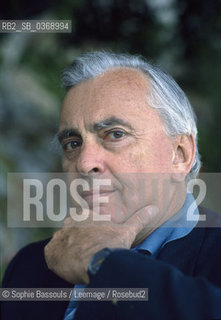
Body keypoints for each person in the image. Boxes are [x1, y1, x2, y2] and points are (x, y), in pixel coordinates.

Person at [1, 51, 221, 320]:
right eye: (72, 143)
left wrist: (104, 264)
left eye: (115, 134)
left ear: (180, 154)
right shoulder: (30, 265)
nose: (84, 162)